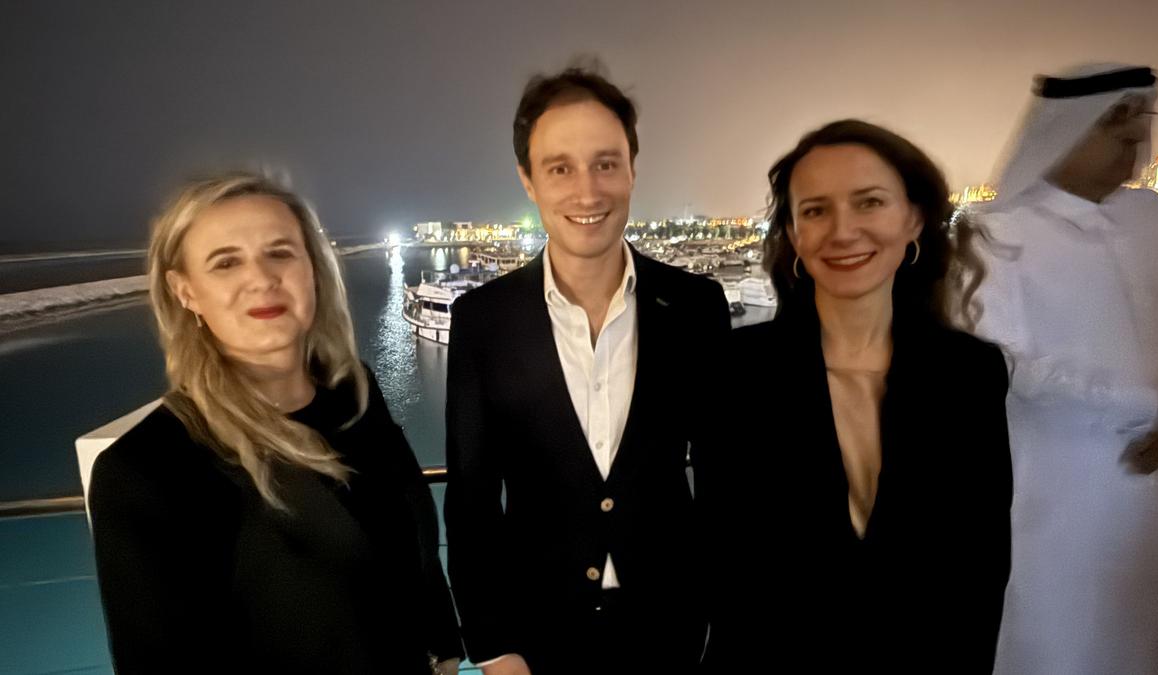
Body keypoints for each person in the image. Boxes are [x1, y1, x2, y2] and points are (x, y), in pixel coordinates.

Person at [89, 171, 462, 674]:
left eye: (280, 253)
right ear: (185, 291)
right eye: (226, 262)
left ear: (313, 269)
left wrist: (443, 645)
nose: (262, 278)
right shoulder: (145, 470)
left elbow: (410, 533)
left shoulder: (354, 393)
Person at [444, 62, 730, 675]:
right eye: (560, 168)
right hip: (535, 640)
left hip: (674, 633)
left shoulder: (695, 307)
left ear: (632, 169)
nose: (587, 192)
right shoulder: (482, 320)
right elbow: (470, 505)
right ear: (527, 180)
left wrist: (719, 629)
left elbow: (723, 485)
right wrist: (493, 649)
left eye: (605, 163)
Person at [702, 119, 1012, 672]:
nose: (843, 231)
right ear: (794, 235)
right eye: (815, 210)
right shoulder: (735, 374)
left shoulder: (968, 375)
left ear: (914, 218)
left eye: (869, 202)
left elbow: (979, 578)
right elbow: (728, 580)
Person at [971, 63, 1158, 674]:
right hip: (1055, 510)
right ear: (1065, 128)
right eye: (1115, 125)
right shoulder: (997, 240)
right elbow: (1005, 368)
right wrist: (1155, 407)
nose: (1136, 140)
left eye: (1141, 121)